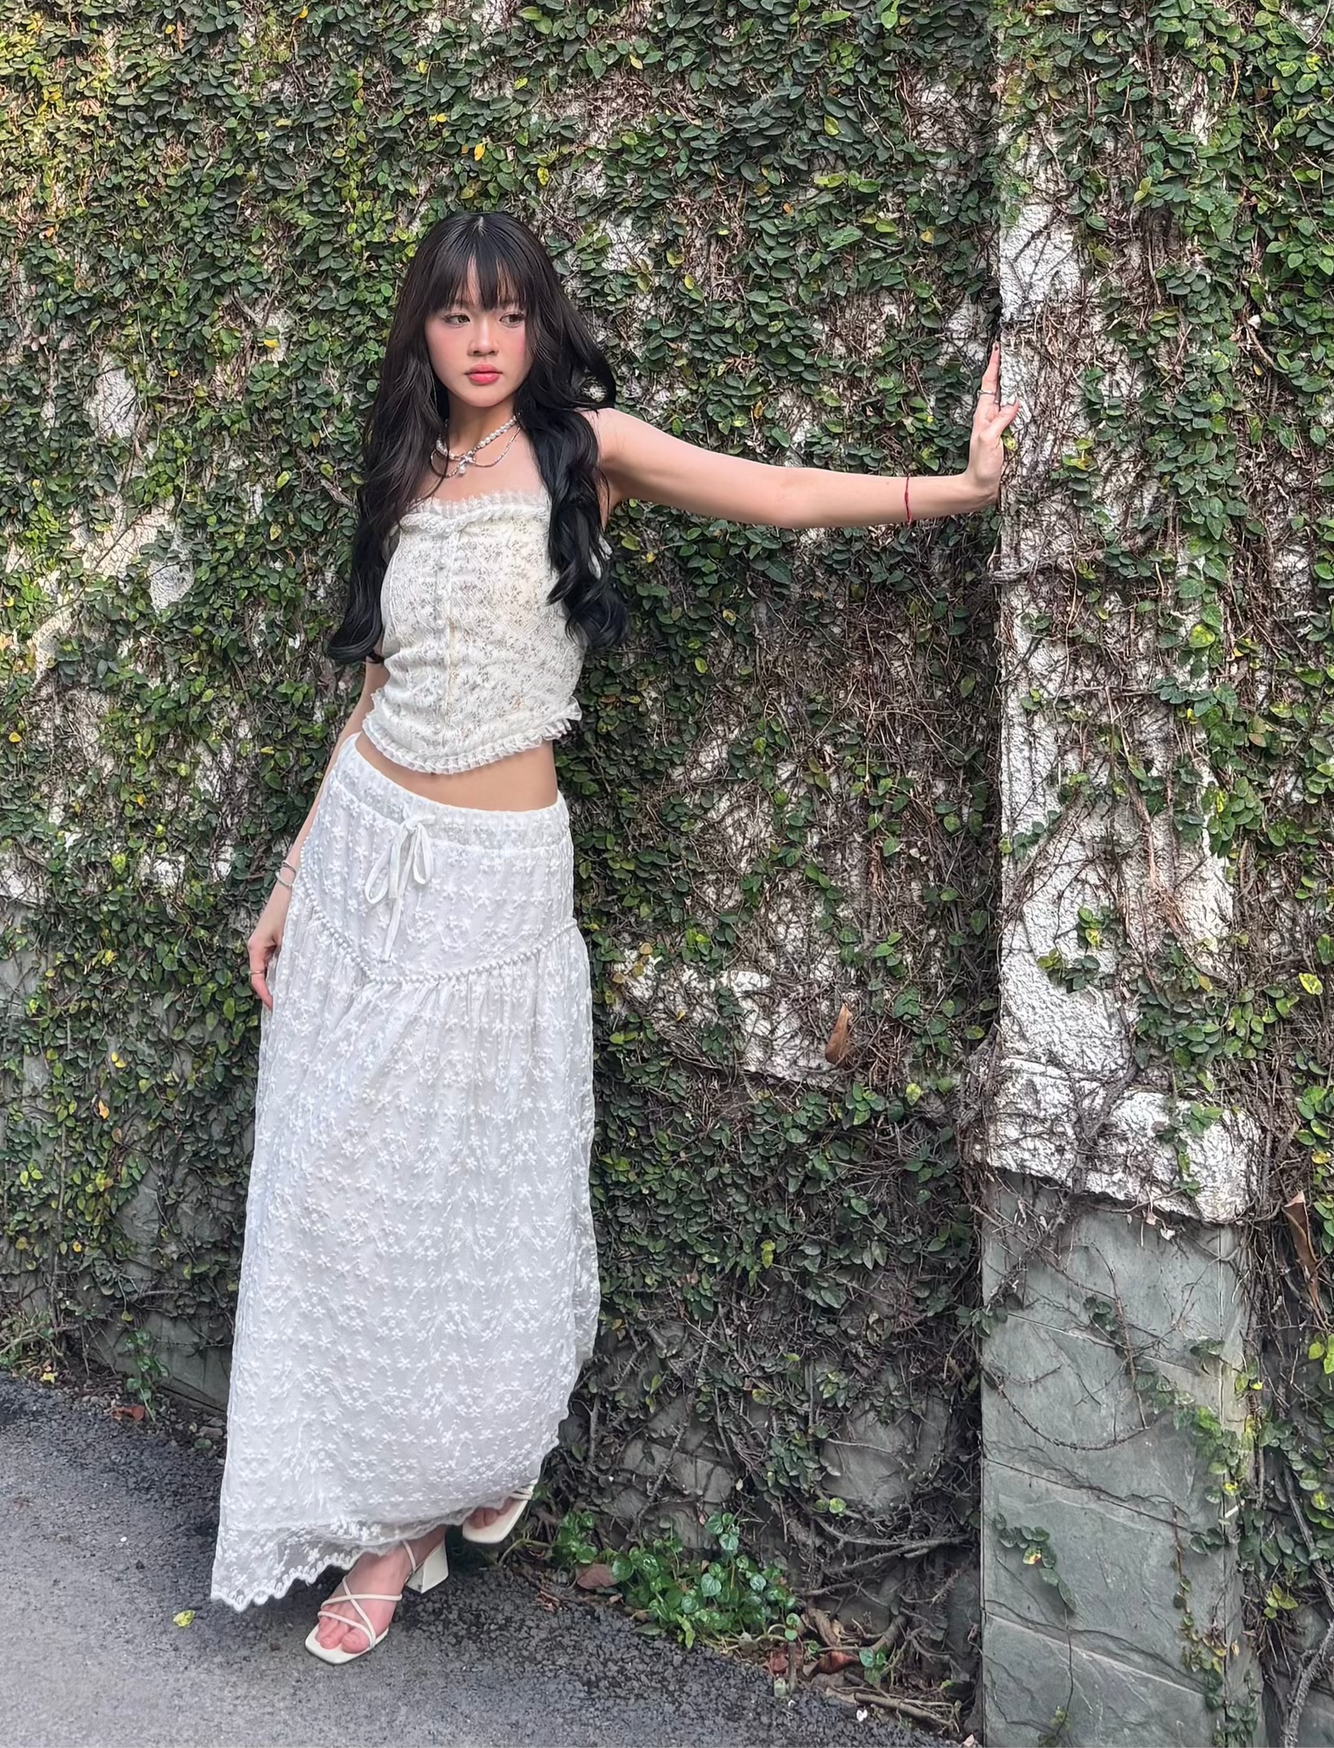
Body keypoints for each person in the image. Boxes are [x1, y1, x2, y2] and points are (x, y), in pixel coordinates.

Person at [208, 207, 1020, 1661]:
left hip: (495, 877)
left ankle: (415, 1520)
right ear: (426, 328)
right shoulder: (406, 468)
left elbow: (772, 494)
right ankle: (393, 1493)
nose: (480, 339)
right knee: (337, 1195)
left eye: (505, 313)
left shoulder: (584, 445)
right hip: (364, 868)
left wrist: (957, 491)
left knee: (461, 1192)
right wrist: (287, 881)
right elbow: (375, 697)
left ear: (537, 325)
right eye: (455, 313)